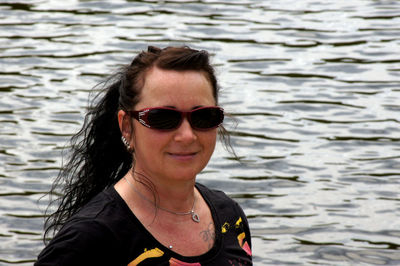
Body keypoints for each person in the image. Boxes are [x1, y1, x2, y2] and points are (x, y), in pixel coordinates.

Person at [35, 45, 252, 265]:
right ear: (127, 126)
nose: (187, 135)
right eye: (162, 118)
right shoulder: (90, 239)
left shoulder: (230, 217)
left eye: (204, 116)